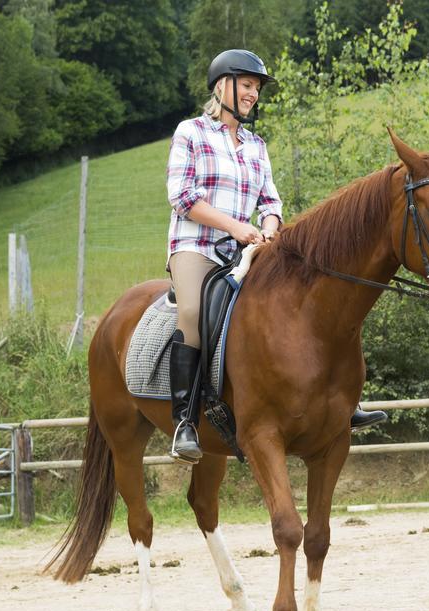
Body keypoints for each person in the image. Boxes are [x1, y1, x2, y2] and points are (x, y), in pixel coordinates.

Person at [165, 49, 386, 465]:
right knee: (193, 310)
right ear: (222, 85)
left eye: (256, 88)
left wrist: (269, 228)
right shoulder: (191, 132)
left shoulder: (256, 145)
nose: (253, 94)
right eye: (247, 85)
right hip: (196, 248)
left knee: (311, 300)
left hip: (248, 251)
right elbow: (182, 196)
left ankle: (341, 400)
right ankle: (184, 421)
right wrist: (235, 226)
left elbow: (270, 201)